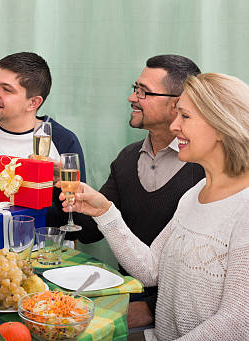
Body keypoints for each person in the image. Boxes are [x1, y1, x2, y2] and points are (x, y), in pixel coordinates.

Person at [61, 73, 249, 339]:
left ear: (220, 125)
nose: (174, 127)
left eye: (185, 116)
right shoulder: (194, 195)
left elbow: (236, 323)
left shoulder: (244, 209)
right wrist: (105, 211)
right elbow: (150, 270)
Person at [73, 55, 204, 329]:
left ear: (177, 103)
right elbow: (89, 232)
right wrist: (57, 189)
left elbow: (205, 278)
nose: (132, 97)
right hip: (128, 292)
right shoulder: (128, 158)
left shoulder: (206, 170)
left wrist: (151, 308)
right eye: (135, 88)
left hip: (175, 312)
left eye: (143, 92)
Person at [0, 52, 85, 227]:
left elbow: (81, 225)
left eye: (6, 89)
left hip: (41, 252)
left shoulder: (63, 141)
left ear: (33, 103)